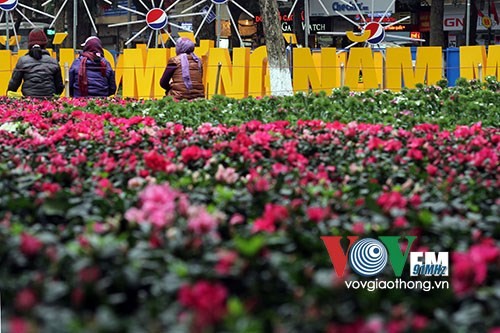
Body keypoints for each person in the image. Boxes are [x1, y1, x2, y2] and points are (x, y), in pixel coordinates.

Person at [7, 29, 64, 98]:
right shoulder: (53, 62)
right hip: (49, 101)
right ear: (45, 44)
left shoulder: (22, 61)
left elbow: (13, 85)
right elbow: (59, 87)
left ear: (29, 45)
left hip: (29, 101)